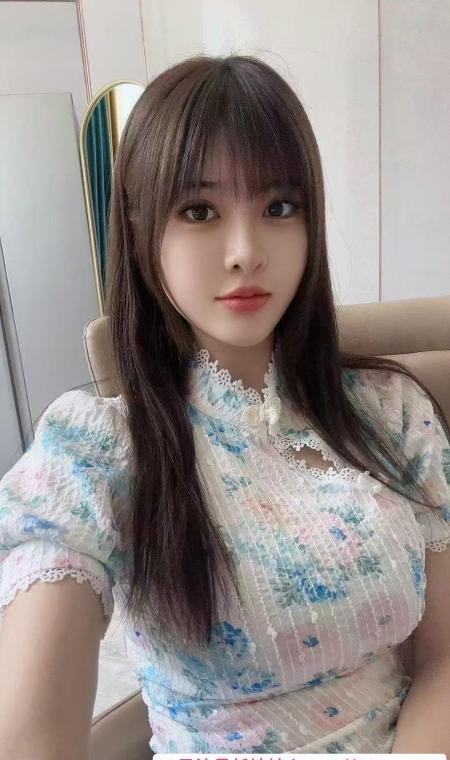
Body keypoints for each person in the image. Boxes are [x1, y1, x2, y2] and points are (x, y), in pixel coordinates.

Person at [1, 54, 450, 757]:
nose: (246, 252)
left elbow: (445, 657)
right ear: (142, 232)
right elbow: (30, 737)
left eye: (278, 207)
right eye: (200, 211)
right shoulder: (96, 449)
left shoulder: (390, 412)